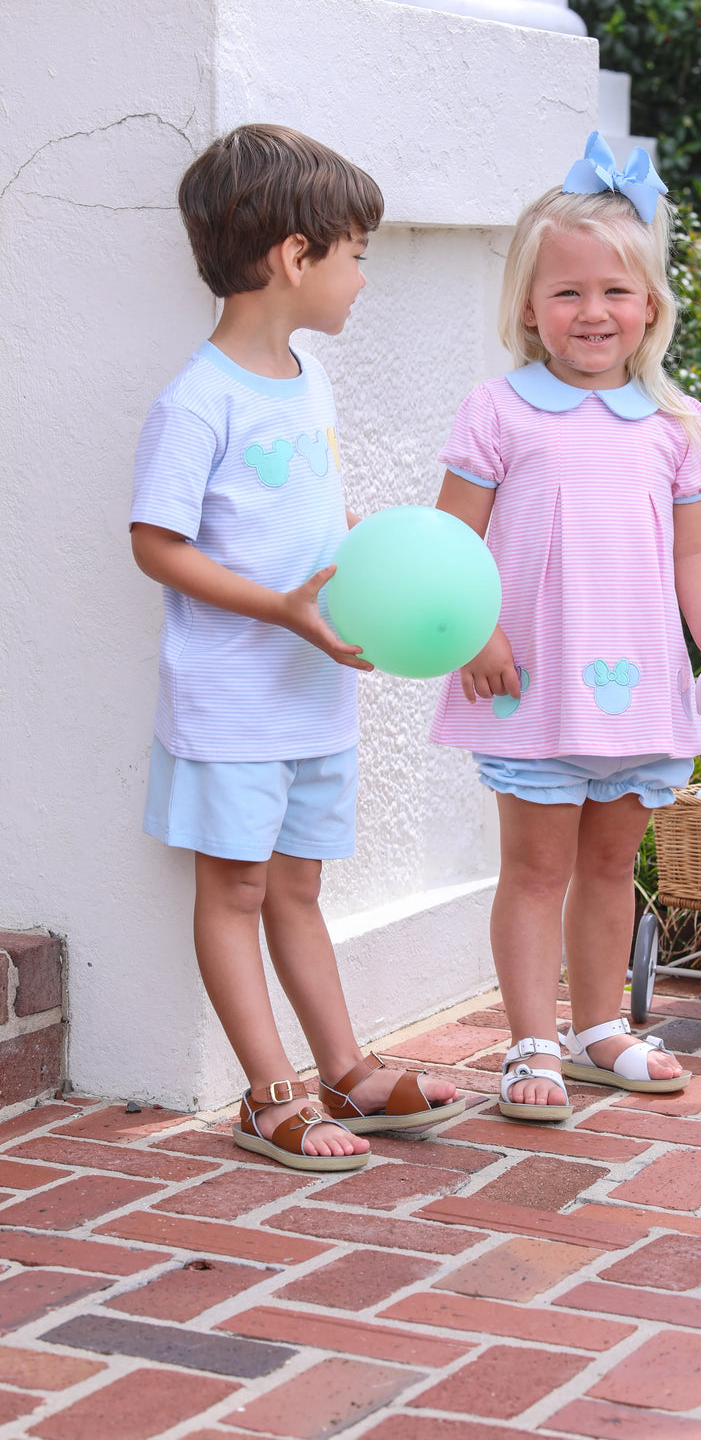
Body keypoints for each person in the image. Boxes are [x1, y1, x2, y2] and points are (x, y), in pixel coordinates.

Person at [130, 124, 463, 1170]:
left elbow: (315, 519)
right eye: (356, 252)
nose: (363, 276)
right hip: (232, 696)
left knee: (301, 888)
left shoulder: (306, 380)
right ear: (294, 255)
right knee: (232, 888)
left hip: (315, 689)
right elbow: (154, 544)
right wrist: (277, 609)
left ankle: (347, 1071)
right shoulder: (198, 399)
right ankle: (267, 1095)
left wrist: (370, 562)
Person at [431, 132, 701, 1122]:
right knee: (537, 870)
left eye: (615, 292)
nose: (592, 312)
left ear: (650, 305)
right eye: (566, 293)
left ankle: (601, 1025)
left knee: (613, 867)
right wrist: (470, 631)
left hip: (641, 683)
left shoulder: (675, 423)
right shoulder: (499, 413)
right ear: (528, 309)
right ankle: (530, 1039)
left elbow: (694, 552)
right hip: (532, 683)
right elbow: (451, 543)